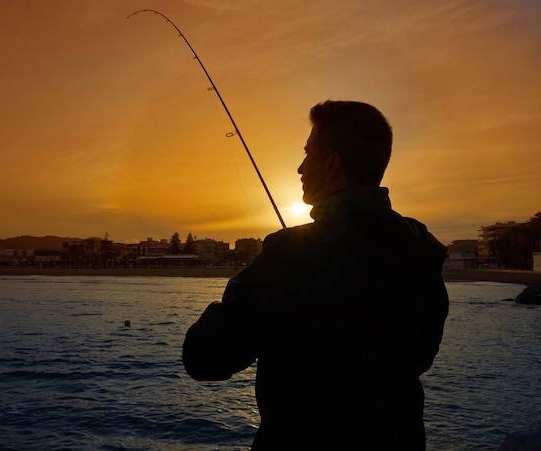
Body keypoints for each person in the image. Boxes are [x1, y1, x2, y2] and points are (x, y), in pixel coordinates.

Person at [182, 100, 449, 450]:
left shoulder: (294, 251)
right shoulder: (421, 247)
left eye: (308, 154)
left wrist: (249, 285)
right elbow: (420, 355)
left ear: (331, 164)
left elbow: (206, 356)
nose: (299, 167)